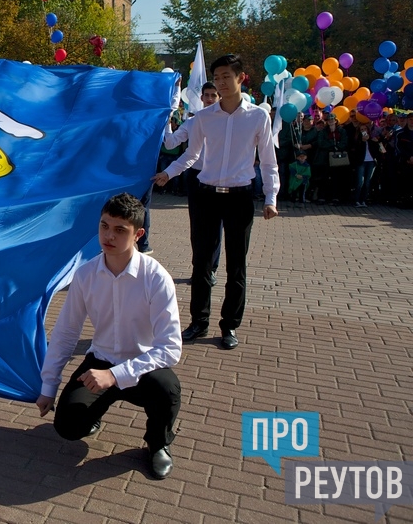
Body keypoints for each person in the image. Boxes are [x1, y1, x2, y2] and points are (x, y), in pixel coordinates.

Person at [36, 193, 181, 480]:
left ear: (138, 234)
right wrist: (48, 385)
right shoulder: (85, 274)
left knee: (167, 388)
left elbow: (170, 348)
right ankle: (93, 415)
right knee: (67, 427)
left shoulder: (156, 277)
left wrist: (117, 375)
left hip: (143, 368)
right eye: (104, 226)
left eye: (119, 230)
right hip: (100, 362)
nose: (108, 236)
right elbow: (66, 332)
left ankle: (157, 444)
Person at [153, 54, 279, 351]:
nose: (221, 83)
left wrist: (271, 197)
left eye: (226, 76)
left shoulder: (258, 116)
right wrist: (168, 174)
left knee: (236, 265)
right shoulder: (203, 118)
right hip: (206, 196)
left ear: (240, 78)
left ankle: (229, 325)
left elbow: (269, 162)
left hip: (240, 197)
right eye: (217, 77)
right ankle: (199, 321)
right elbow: (191, 154)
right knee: (201, 263)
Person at [163, 82, 222, 286]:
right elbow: (170, 143)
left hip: (218, 178)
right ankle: (199, 268)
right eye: (206, 95)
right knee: (197, 226)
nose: (209, 99)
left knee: (215, 226)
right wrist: (168, 120)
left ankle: (211, 269)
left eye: (213, 95)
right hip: (196, 177)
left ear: (219, 97)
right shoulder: (193, 121)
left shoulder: (225, 122)